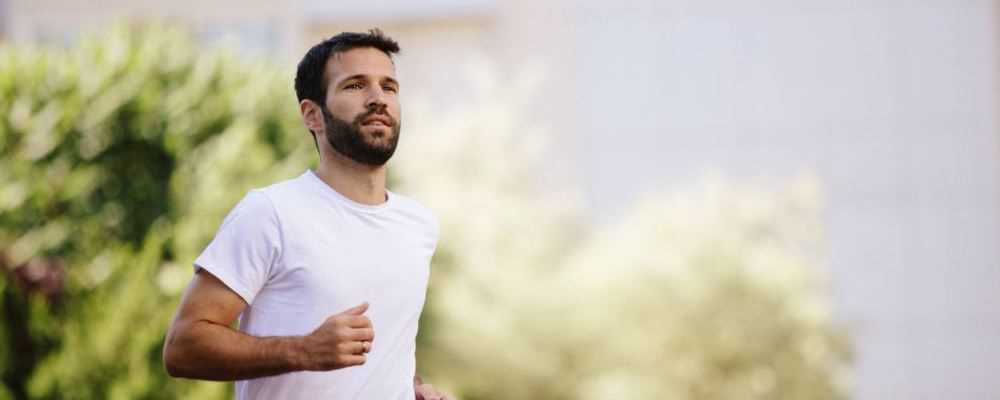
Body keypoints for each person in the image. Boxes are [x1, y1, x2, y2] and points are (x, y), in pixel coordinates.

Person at [163, 29, 450, 400]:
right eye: (355, 86)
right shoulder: (270, 213)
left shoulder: (418, 224)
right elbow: (184, 346)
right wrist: (304, 350)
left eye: (389, 86)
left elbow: (384, 352)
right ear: (312, 115)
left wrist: (413, 388)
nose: (378, 98)